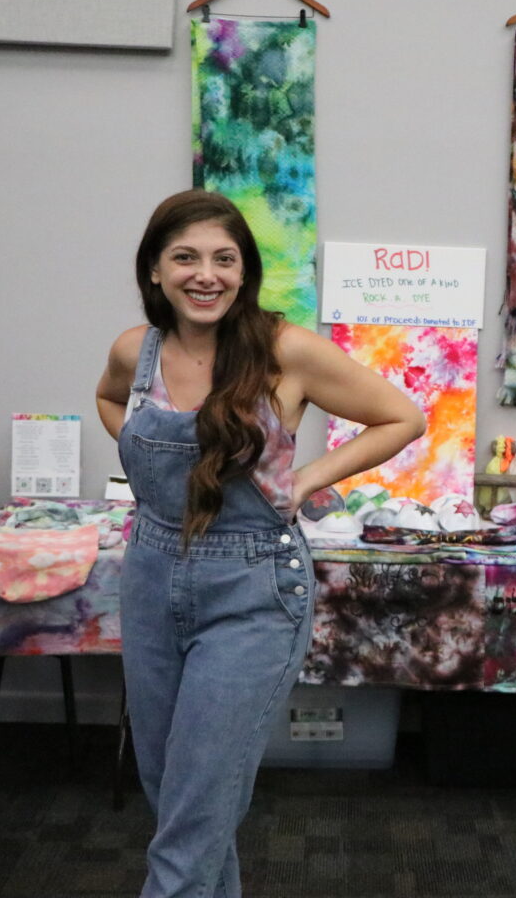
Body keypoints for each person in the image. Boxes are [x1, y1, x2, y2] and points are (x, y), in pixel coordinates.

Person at [95, 190, 425, 898]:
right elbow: (110, 400)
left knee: (194, 813)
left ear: (244, 272)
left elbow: (401, 416)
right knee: (175, 793)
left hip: (252, 589)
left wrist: (304, 480)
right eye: (184, 257)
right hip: (151, 574)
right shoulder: (135, 352)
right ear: (155, 269)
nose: (204, 274)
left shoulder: (286, 351)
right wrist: (149, 469)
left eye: (224, 258)